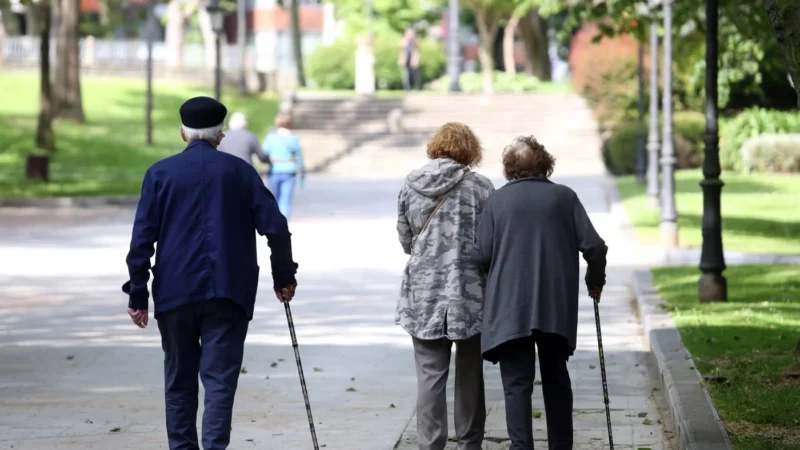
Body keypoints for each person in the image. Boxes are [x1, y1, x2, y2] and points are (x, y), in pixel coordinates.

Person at [123, 96, 299, 450]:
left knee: (179, 381)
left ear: (182, 134)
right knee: (220, 381)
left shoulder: (159, 174)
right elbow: (276, 228)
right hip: (229, 292)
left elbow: (142, 240)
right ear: (221, 135)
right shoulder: (240, 173)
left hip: (175, 293)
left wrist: (138, 293)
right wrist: (284, 276)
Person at [473, 136, 608, 450]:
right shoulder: (564, 197)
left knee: (516, 384)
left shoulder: (497, 202)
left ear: (509, 169)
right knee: (556, 377)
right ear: (545, 164)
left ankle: (522, 447)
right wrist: (594, 280)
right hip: (554, 305)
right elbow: (595, 247)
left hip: (510, 307)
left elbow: (481, 254)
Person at [396, 122, 495, 450]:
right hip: (470, 294)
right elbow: (491, 243)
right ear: (470, 150)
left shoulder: (411, 185)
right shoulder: (481, 188)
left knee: (430, 375)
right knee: (469, 375)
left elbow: (406, 240)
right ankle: (469, 443)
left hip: (424, 294)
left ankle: (431, 444)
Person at [262, 114, 305, 220]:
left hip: (274, 170)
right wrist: (302, 175)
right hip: (289, 171)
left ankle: (274, 222)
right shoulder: (294, 138)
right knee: (285, 200)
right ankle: (284, 224)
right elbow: (299, 158)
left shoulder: (271, 137)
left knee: (274, 199)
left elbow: (264, 153)